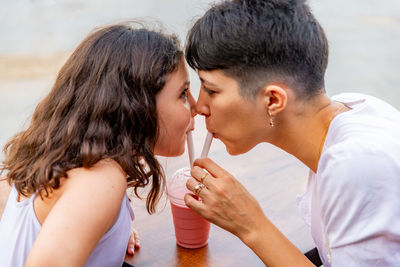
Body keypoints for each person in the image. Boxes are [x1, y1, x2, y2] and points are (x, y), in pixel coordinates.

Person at [183, 0, 400, 266]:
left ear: (273, 100)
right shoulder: (356, 108)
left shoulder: (356, 163)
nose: (199, 106)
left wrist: (250, 224)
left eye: (212, 90)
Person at [0, 22, 196, 266]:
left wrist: (99, 232)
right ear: (137, 105)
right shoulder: (100, 181)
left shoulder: (45, 163)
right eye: (183, 93)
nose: (196, 106)